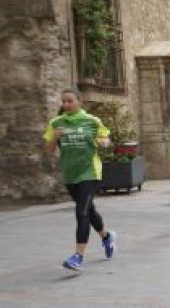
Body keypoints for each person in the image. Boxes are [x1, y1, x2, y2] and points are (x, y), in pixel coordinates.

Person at [43, 88, 116, 271]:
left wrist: (103, 142)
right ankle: (107, 237)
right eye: (64, 101)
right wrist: (55, 138)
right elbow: (49, 150)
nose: (66, 104)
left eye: (70, 101)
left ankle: (78, 257)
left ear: (79, 101)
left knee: (81, 212)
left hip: (90, 172)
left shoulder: (91, 121)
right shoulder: (56, 123)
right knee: (89, 211)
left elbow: (105, 139)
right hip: (70, 174)